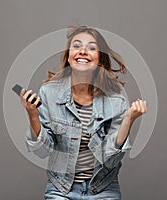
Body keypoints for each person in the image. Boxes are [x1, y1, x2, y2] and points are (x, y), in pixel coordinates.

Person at [20, 25, 147, 199]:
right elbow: (41, 151)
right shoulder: (48, 93)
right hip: (61, 188)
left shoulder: (116, 101)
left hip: (102, 188)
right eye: (77, 45)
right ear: (69, 57)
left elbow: (110, 161)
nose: (83, 51)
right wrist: (33, 114)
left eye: (92, 48)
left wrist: (128, 120)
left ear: (100, 61)